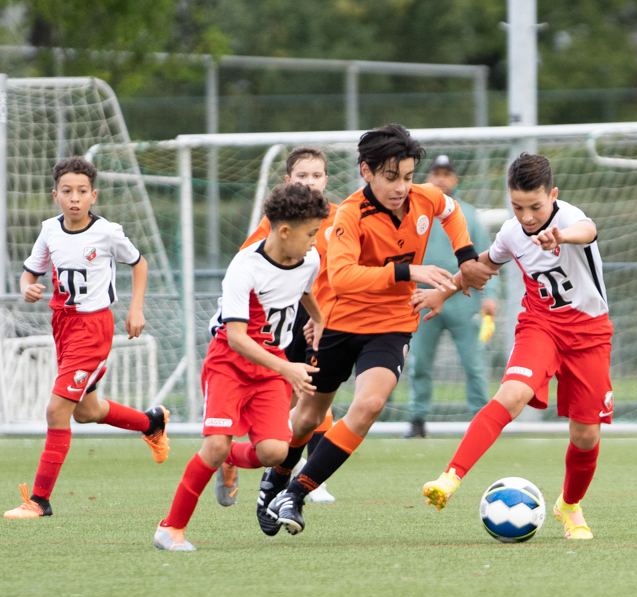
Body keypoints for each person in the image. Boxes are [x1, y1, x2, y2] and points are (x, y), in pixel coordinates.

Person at [261, 123, 496, 536]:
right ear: (366, 172)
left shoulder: (424, 198)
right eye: (391, 178)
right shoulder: (350, 215)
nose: (402, 187)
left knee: (369, 406)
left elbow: (451, 210)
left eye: (407, 177)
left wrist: (466, 256)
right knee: (307, 419)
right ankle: (277, 477)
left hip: (391, 324)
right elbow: (345, 276)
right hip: (341, 322)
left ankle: (295, 493)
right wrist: (409, 270)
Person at [419, 153, 612, 540]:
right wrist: (445, 292)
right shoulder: (511, 232)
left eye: (535, 206)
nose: (526, 216)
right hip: (540, 326)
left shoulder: (570, 218)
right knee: (512, 394)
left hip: (589, 335)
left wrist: (560, 236)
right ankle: (450, 476)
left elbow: (588, 230)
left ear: (553, 195)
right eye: (517, 206)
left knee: (586, 436)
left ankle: (569, 506)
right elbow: (484, 265)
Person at [154, 183, 328, 551]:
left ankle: (228, 458)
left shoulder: (308, 259)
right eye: (312, 233)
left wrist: (319, 320)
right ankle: (170, 529)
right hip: (230, 363)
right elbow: (235, 337)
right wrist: (289, 369)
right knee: (214, 445)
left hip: (271, 367)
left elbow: (304, 289)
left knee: (275, 454)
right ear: (284, 231)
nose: (316, 241)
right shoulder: (244, 267)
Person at [4, 157, 169, 519]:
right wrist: (27, 288)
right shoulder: (49, 230)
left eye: (82, 191)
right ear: (56, 196)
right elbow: (30, 272)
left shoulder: (107, 232)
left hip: (93, 328)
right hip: (62, 326)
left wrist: (135, 308)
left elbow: (139, 264)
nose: (74, 198)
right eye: (67, 191)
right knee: (87, 411)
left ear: (93, 196)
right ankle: (151, 422)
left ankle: (40, 500)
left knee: (56, 411)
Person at [215, 146, 338, 507]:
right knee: (295, 392)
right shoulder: (275, 225)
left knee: (316, 392)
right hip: (280, 319)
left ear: (326, 179)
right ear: (288, 181)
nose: (310, 182)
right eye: (302, 176)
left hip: (320, 314)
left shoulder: (336, 217)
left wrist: (324, 315)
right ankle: (245, 456)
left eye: (316, 176)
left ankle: (308, 475)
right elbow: (250, 267)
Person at [405, 155, 497, 438]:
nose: (441, 179)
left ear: (455, 179)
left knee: (474, 363)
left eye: (447, 173)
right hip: (423, 299)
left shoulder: (468, 214)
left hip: (464, 299)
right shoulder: (414, 212)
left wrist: (490, 295)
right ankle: (417, 420)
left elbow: (488, 256)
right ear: (428, 177)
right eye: (436, 173)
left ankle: (481, 422)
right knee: (419, 362)